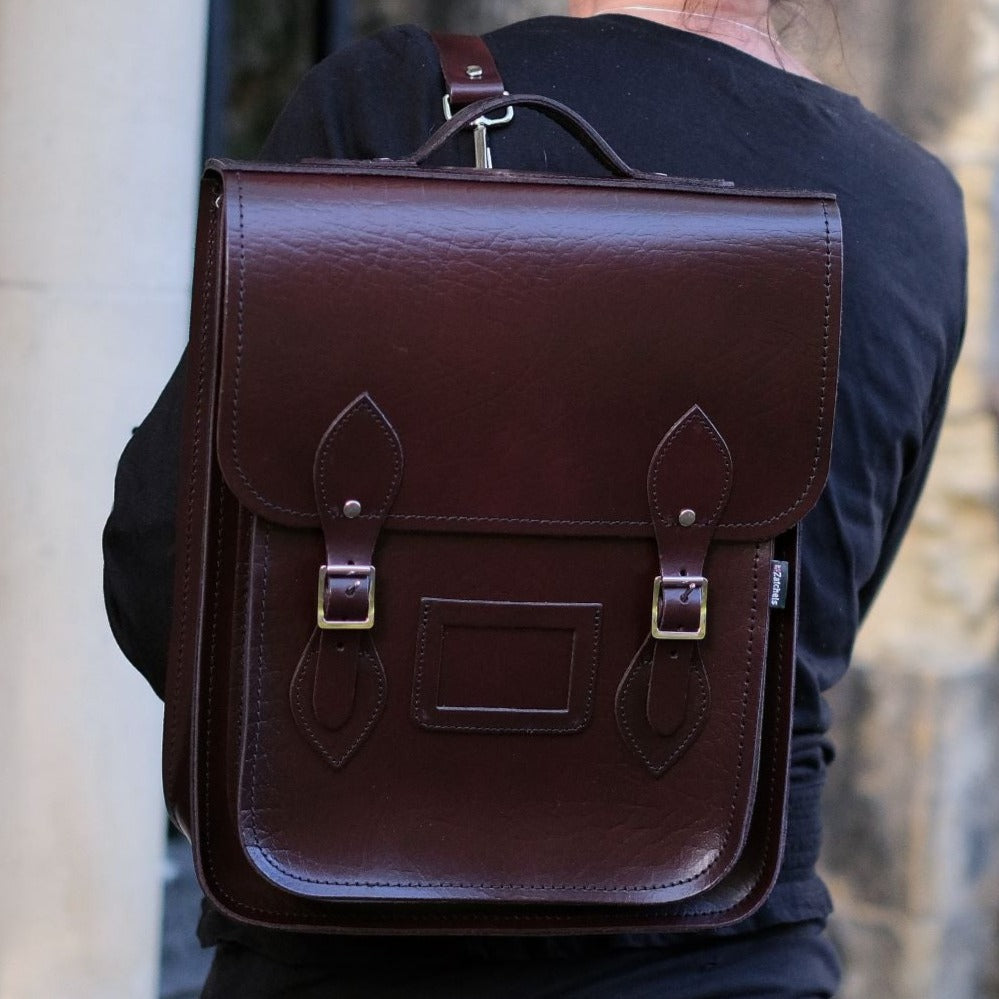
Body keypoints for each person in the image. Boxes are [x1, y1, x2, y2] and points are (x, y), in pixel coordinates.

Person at [103, 1, 967, 996]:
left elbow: (163, 569)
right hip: (726, 950)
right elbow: (817, 617)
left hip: (345, 933)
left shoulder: (391, 104)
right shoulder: (906, 203)